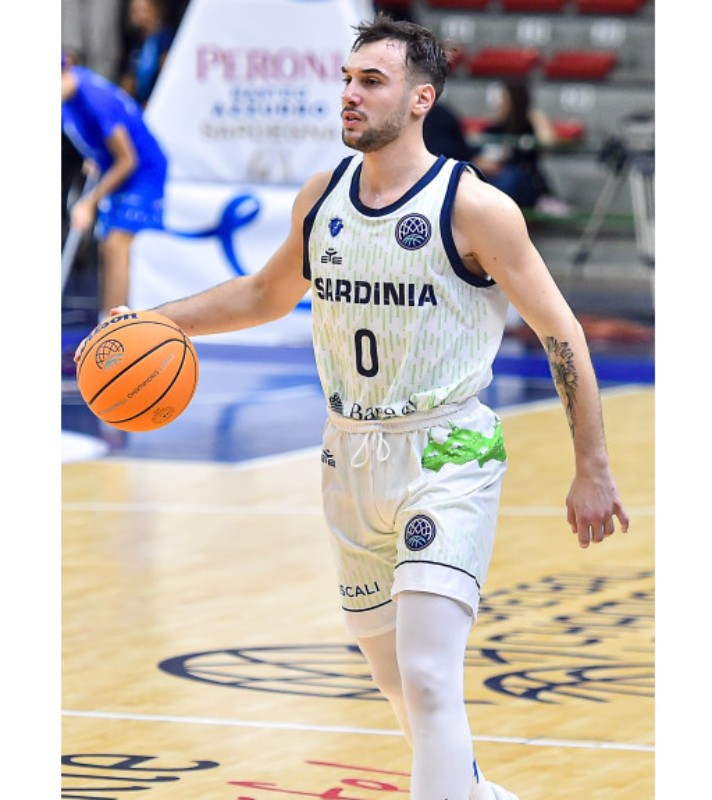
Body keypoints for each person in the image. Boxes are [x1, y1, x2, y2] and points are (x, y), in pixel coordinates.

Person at [77, 14, 629, 800]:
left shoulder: (475, 208)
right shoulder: (323, 196)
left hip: (447, 452)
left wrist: (592, 466)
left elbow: (561, 333)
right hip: (348, 457)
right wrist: (156, 322)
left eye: (372, 81)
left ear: (420, 99)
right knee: (396, 680)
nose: (350, 94)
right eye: (346, 79)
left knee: (429, 675)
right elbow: (264, 294)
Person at [61, 56, 168, 319]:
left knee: (115, 245)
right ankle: (105, 321)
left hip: (142, 171)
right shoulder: (70, 96)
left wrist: (89, 203)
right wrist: (96, 156)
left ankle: (116, 325)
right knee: (106, 245)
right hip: (117, 166)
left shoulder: (96, 100)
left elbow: (127, 160)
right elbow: (98, 139)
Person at [473, 80, 569, 214]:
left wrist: (537, 118)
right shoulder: (494, 129)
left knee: (511, 178)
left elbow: (549, 143)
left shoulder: (527, 126)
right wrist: (486, 164)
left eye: (505, 100)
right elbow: (477, 158)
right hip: (494, 179)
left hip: (523, 184)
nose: (500, 105)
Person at [119, 0, 175, 107]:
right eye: (134, 10)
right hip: (139, 104)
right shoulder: (137, 42)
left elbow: (168, 76)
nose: (137, 15)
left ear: (154, 10)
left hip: (157, 103)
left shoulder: (165, 39)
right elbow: (129, 80)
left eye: (142, 10)